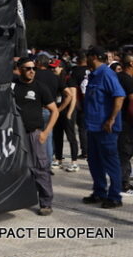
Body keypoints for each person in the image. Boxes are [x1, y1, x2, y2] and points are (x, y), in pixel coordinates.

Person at [13, 57, 59, 215]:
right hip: (17, 135)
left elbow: (55, 110)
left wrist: (45, 133)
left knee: (41, 168)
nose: (32, 71)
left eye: (34, 68)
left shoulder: (40, 87)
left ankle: (46, 203)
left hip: (35, 133)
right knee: (18, 167)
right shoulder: (12, 87)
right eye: (28, 68)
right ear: (19, 69)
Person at [81, 46, 126, 208]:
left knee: (110, 162)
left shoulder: (106, 74)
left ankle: (115, 196)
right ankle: (99, 192)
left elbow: (119, 95)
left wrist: (111, 119)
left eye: (87, 56)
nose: (85, 59)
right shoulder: (93, 75)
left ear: (93, 57)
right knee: (94, 161)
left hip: (106, 128)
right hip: (93, 127)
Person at [50, 59, 80, 172]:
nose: (53, 69)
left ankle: (74, 161)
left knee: (71, 136)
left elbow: (73, 97)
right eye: (51, 67)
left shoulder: (69, 79)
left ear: (61, 68)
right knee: (57, 136)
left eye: (55, 67)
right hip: (57, 111)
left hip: (67, 111)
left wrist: (69, 113)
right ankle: (58, 159)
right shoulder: (54, 79)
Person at [115, 54, 133, 195]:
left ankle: (124, 180)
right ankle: (123, 184)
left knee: (124, 151)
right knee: (125, 152)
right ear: (131, 64)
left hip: (122, 120)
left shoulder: (120, 77)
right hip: (127, 121)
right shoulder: (127, 80)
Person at [68, 51, 90, 158]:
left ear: (78, 60)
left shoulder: (75, 71)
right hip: (94, 103)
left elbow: (73, 89)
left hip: (81, 103)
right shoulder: (92, 70)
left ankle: (85, 151)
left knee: (82, 128)